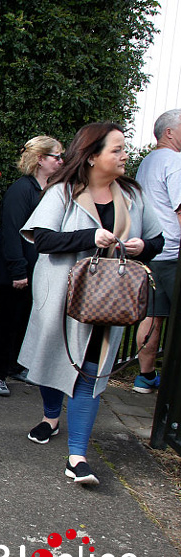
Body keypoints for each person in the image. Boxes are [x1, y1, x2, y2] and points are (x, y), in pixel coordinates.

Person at [18, 122, 163, 485]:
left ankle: (77, 456)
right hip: (63, 298)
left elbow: (157, 240)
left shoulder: (133, 195)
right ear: (93, 155)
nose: (125, 154)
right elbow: (43, 240)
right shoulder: (62, 192)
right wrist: (89, 236)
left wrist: (142, 247)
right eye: (117, 149)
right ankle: (51, 415)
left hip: (110, 300)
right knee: (54, 359)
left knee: (92, 371)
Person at [0, 136, 65, 397]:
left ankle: (14, 366)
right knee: (6, 324)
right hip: (11, 274)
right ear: (40, 159)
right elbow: (12, 232)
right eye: (56, 156)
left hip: (34, 271)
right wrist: (18, 271)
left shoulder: (51, 189)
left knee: (23, 322)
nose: (61, 161)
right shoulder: (21, 189)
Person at [132, 109, 181, 394]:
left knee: (152, 316)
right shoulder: (175, 161)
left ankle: (145, 377)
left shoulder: (147, 161)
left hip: (150, 252)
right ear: (169, 132)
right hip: (172, 253)